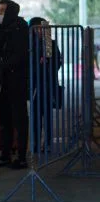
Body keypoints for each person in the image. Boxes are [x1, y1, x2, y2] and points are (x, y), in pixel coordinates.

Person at [0, 0, 29, 169]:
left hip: (17, 81)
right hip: (3, 81)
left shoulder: (20, 29)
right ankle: (5, 154)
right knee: (4, 119)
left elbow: (20, 56)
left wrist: (2, 64)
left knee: (19, 120)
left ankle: (21, 157)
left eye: (3, 10)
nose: (0, 14)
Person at [29, 17, 63, 154]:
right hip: (35, 86)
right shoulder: (30, 44)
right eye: (38, 28)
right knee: (35, 117)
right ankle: (36, 144)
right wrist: (39, 63)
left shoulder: (50, 44)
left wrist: (48, 63)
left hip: (48, 85)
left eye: (43, 28)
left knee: (47, 116)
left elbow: (58, 62)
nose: (40, 31)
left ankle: (47, 143)